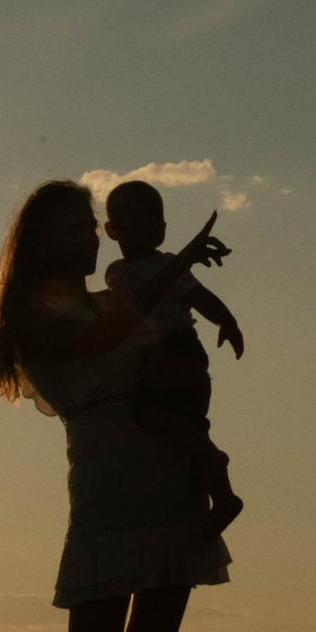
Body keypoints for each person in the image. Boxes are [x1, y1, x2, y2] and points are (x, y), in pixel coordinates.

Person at [0, 179, 236, 632]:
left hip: (169, 488)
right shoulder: (34, 316)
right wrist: (178, 262)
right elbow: (107, 335)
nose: (90, 238)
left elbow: (166, 353)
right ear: (39, 244)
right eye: (72, 230)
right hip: (106, 499)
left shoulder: (115, 294)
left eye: (90, 226)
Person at [101, 178, 245, 531]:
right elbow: (122, 310)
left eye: (155, 218)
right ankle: (209, 483)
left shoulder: (169, 265)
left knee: (155, 415)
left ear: (164, 227)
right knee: (182, 427)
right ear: (112, 230)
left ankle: (222, 491)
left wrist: (228, 322)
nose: (148, 224)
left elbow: (202, 298)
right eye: (137, 217)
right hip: (154, 355)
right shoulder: (118, 272)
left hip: (177, 348)